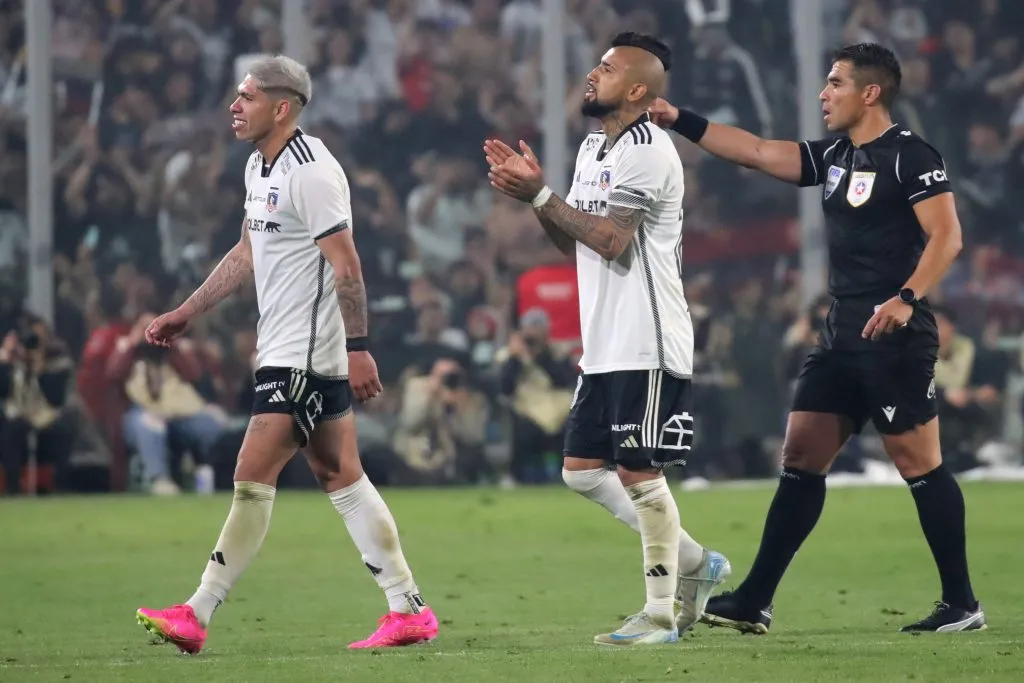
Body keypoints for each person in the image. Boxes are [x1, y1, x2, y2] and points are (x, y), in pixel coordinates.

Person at [649, 42, 983, 633]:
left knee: (918, 464)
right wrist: (680, 121)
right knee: (801, 455)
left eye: (835, 83)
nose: (824, 94)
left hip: (895, 335)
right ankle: (755, 600)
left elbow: (947, 238)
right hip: (840, 335)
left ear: (870, 92)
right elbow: (753, 151)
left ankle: (962, 605)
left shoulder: (910, 157)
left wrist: (906, 299)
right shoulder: (832, 156)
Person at [135, 55, 438, 654]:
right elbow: (247, 252)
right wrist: (187, 311)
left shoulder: (313, 172)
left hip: (303, 352)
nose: (234, 104)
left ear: (282, 107)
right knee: (340, 476)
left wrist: (358, 349)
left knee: (252, 475)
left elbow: (347, 265)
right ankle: (408, 608)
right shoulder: (258, 166)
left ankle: (196, 612)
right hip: (287, 347)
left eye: (246, 96)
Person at [484, 32, 730, 647]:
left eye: (608, 68)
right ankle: (699, 565)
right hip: (605, 343)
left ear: (639, 89)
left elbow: (613, 240)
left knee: (640, 474)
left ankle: (658, 615)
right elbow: (576, 243)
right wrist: (541, 197)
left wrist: (540, 195)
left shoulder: (649, 149)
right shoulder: (595, 145)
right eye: (597, 64)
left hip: (648, 338)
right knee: (581, 470)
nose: (593, 74)